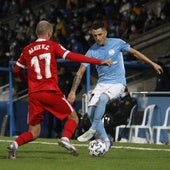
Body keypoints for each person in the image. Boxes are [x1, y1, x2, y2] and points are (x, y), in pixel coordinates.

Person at [7, 20, 112, 159]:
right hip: (50, 91)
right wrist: (99, 61)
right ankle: (65, 138)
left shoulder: (27, 49)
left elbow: (16, 70)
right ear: (50, 33)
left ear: (36, 33)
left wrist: (28, 82)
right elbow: (73, 56)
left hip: (34, 94)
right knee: (73, 117)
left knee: (34, 132)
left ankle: (15, 144)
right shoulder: (52, 45)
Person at [67, 22, 163, 152]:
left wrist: (153, 64)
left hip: (118, 83)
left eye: (100, 34)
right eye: (95, 36)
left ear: (105, 32)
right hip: (102, 84)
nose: (98, 38)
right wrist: (73, 92)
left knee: (102, 99)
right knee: (90, 113)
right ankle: (107, 141)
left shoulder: (117, 43)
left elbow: (135, 53)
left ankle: (93, 128)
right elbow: (80, 72)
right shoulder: (92, 51)